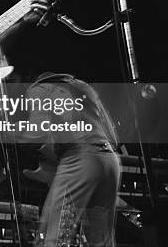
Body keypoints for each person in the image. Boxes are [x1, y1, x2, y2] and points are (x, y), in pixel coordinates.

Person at [18, 73, 121, 246]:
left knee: (56, 237)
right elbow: (113, 135)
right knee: (102, 240)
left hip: (80, 159)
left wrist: (12, 135)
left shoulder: (39, 88)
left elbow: (37, 131)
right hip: (110, 160)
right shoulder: (81, 85)